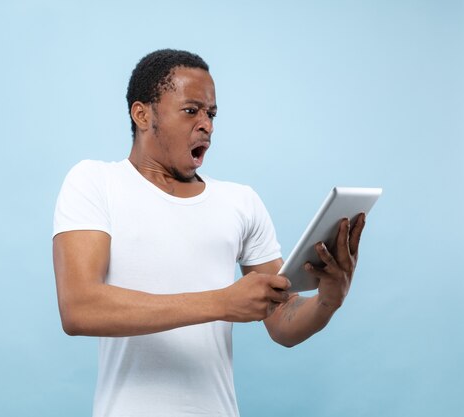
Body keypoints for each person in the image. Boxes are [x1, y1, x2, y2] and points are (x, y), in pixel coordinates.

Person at [52, 49, 366, 417]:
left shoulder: (241, 201)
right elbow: (79, 308)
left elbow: (283, 321)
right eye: (191, 110)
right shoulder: (94, 182)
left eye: (211, 114)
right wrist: (221, 302)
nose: (207, 125)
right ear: (142, 114)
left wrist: (329, 299)